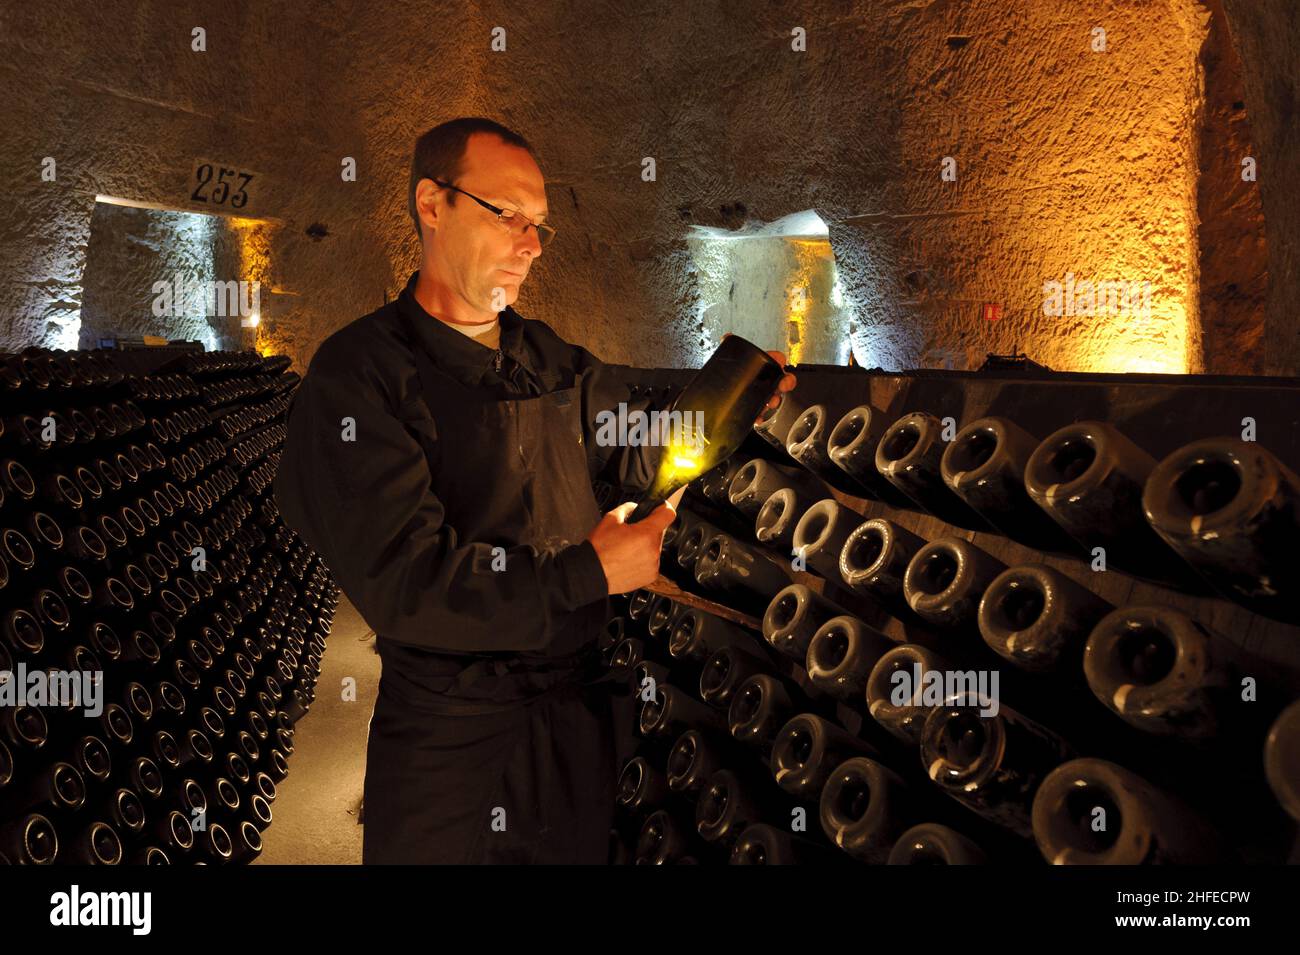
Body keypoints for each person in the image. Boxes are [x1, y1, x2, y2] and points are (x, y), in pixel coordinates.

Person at [273, 117, 795, 864]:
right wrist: (591, 572)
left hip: (570, 726)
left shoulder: (547, 357)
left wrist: (737, 396)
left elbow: (642, 455)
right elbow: (408, 583)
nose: (532, 242)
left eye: (540, 225)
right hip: (453, 745)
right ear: (432, 203)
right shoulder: (359, 375)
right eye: (508, 215)